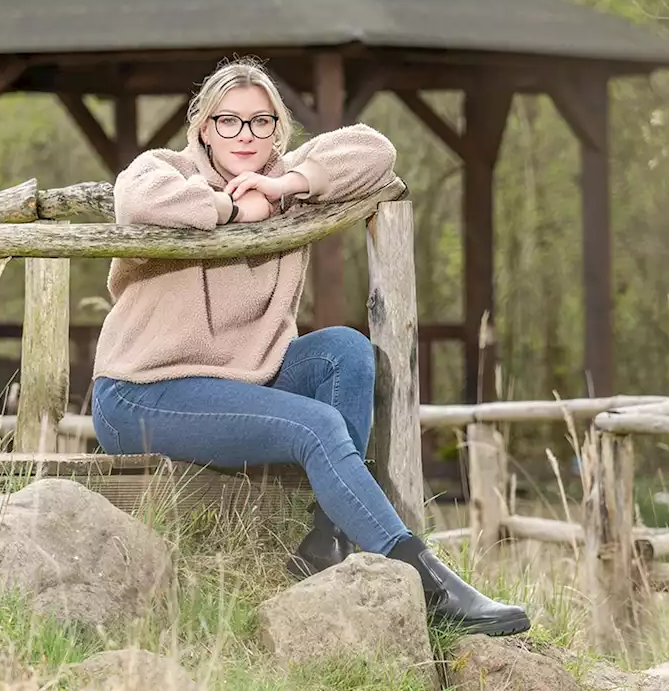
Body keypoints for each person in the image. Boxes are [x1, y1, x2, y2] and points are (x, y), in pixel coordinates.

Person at [88, 58, 530, 637]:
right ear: (202, 127)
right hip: (141, 393)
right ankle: (427, 584)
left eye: (260, 122)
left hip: (238, 381)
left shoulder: (286, 184)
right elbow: (137, 201)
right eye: (228, 121)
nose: (245, 135)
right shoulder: (165, 169)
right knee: (316, 425)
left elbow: (376, 151)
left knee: (345, 350)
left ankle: (327, 541)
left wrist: (282, 185)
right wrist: (229, 208)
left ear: (277, 130)